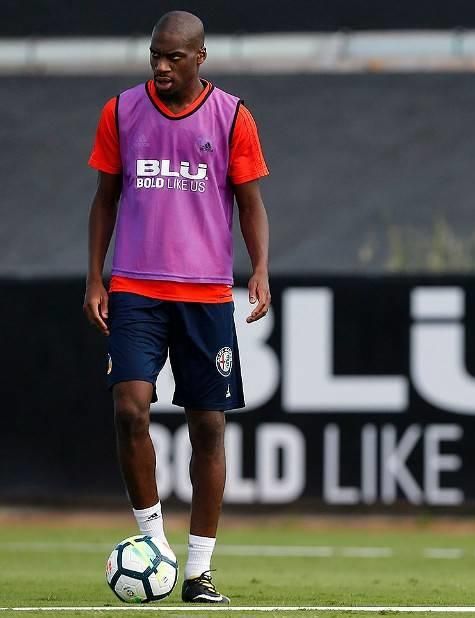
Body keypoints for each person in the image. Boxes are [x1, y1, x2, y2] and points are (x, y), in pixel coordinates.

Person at [83, 10, 270, 604]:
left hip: (206, 294)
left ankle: (198, 572)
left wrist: (260, 268)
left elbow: (250, 202)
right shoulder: (121, 111)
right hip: (136, 287)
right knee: (130, 410)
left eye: (173, 57)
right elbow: (104, 200)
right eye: (154, 56)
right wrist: (95, 277)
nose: (161, 66)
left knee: (208, 428)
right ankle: (153, 546)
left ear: (200, 57)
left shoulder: (233, 116)